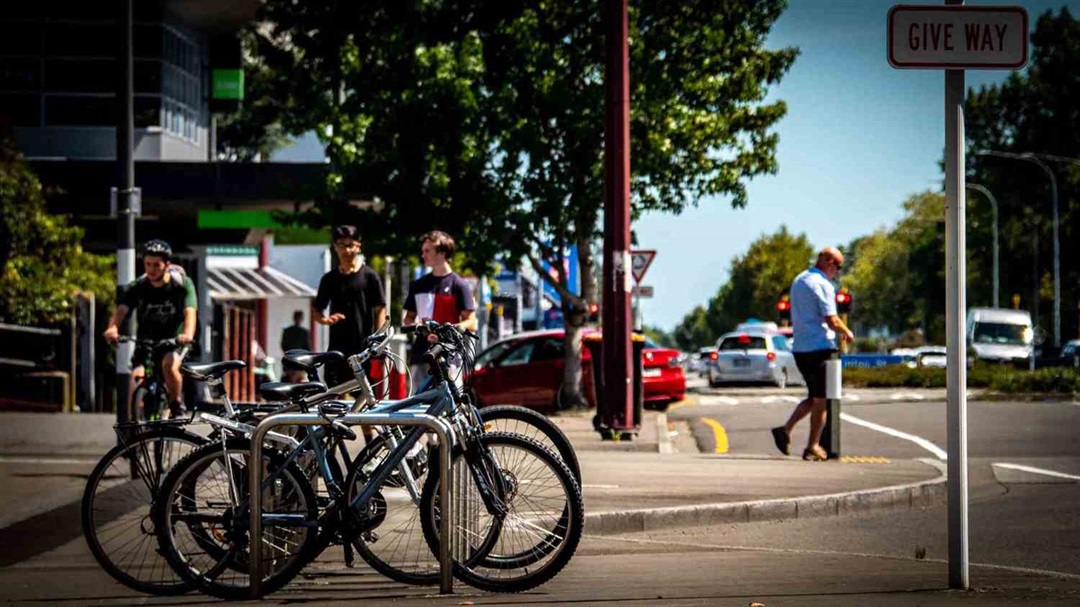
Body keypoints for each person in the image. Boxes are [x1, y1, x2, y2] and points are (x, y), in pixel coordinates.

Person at [771, 246, 855, 461]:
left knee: (814, 396)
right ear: (827, 262)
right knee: (822, 400)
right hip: (819, 348)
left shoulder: (799, 280)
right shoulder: (822, 284)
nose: (838, 271)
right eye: (838, 266)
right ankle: (813, 446)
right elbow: (832, 319)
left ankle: (785, 430)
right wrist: (847, 332)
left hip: (800, 348)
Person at [103, 239, 197, 419]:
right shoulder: (138, 286)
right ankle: (136, 425)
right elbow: (122, 310)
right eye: (147, 264)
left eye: (156, 265)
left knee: (169, 365)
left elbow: (190, 312)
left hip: (172, 341)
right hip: (146, 341)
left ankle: (176, 404)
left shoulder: (181, 284)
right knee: (135, 379)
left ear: (167, 265)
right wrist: (112, 328)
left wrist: (187, 335)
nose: (151, 269)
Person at [312, 225, 387, 387]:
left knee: (364, 395)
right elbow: (317, 309)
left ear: (358, 246)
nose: (346, 250)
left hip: (363, 349)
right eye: (341, 245)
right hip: (337, 348)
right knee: (333, 393)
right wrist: (325, 320)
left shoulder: (370, 276)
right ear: (335, 247)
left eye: (350, 245)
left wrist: (378, 338)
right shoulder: (329, 279)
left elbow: (380, 309)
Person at [403, 230, 477, 389]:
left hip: (450, 354)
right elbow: (408, 318)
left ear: (442, 253)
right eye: (423, 251)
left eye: (427, 251)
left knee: (451, 402)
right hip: (422, 354)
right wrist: (417, 326)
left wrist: (454, 327)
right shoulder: (418, 285)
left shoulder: (459, 285)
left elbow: (472, 321)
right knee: (419, 404)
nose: (423, 255)